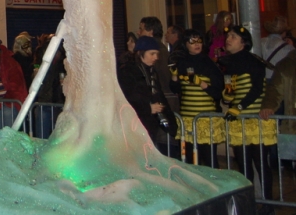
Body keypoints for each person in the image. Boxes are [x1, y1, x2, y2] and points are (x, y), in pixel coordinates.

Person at [219, 25, 276, 205]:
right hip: (239, 119)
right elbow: (229, 92)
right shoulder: (228, 63)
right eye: (228, 36)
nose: (229, 39)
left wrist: (240, 106)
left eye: (233, 37)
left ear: (243, 42)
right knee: (243, 165)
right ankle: (248, 203)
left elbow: (258, 89)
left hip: (254, 119)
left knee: (260, 164)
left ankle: (268, 205)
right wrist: (228, 96)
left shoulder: (254, 62)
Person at [169, 29, 224, 166]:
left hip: (206, 119)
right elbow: (176, 89)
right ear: (185, 44)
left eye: (199, 40)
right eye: (192, 41)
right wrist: (174, 75)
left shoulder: (210, 64)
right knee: (190, 159)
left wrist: (204, 85)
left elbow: (219, 93)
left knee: (210, 159)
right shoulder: (182, 63)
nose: (196, 44)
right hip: (188, 119)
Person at [118, 36, 177, 145]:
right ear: (141, 53)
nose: (156, 57)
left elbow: (159, 95)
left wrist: (171, 121)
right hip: (135, 124)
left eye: (157, 54)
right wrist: (147, 108)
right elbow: (127, 98)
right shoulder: (128, 71)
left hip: (149, 123)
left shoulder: (151, 71)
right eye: (152, 54)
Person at [139, 17, 171, 94]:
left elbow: (164, 78)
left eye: (141, 29)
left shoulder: (160, 51)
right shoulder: (159, 49)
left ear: (150, 32)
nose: (138, 32)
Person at [261, 16, 294, 81]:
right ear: (284, 32)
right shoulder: (287, 47)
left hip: (262, 79)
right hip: (278, 81)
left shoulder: (260, 42)